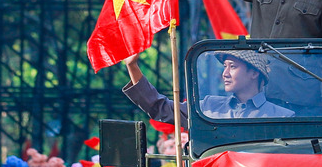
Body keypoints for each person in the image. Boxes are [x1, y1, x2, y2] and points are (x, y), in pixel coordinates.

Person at [122, 49, 294, 121]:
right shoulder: (209, 107)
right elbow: (161, 108)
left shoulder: (283, 117)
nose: (225, 73)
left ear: (254, 73)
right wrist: (132, 67)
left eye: (232, 67)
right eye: (224, 66)